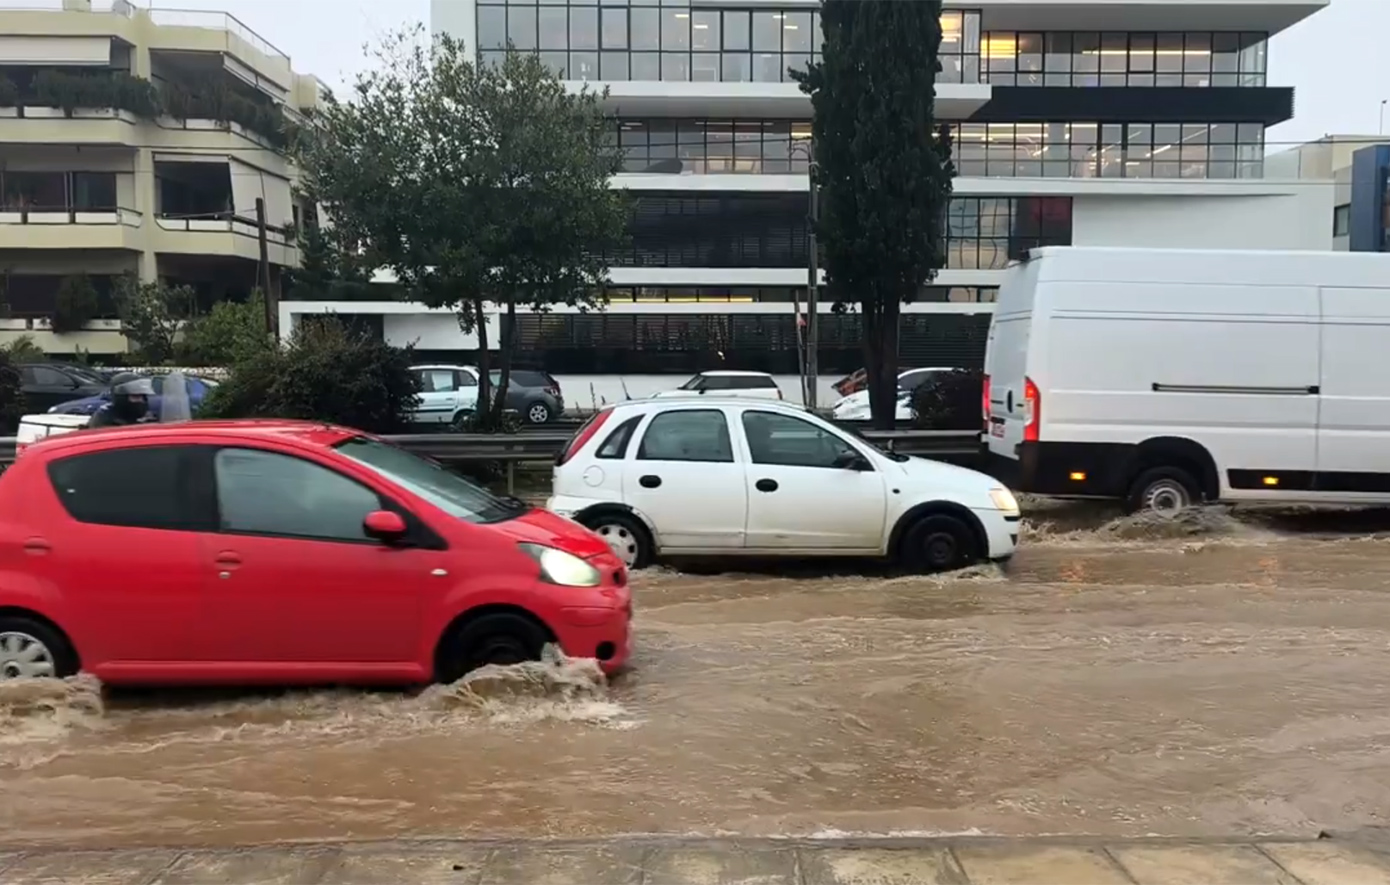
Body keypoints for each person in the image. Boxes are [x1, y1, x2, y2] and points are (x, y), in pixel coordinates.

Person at [88, 372, 157, 428]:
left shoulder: (146, 418)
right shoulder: (106, 420)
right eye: (136, 396)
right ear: (122, 398)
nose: (141, 401)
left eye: (143, 396)